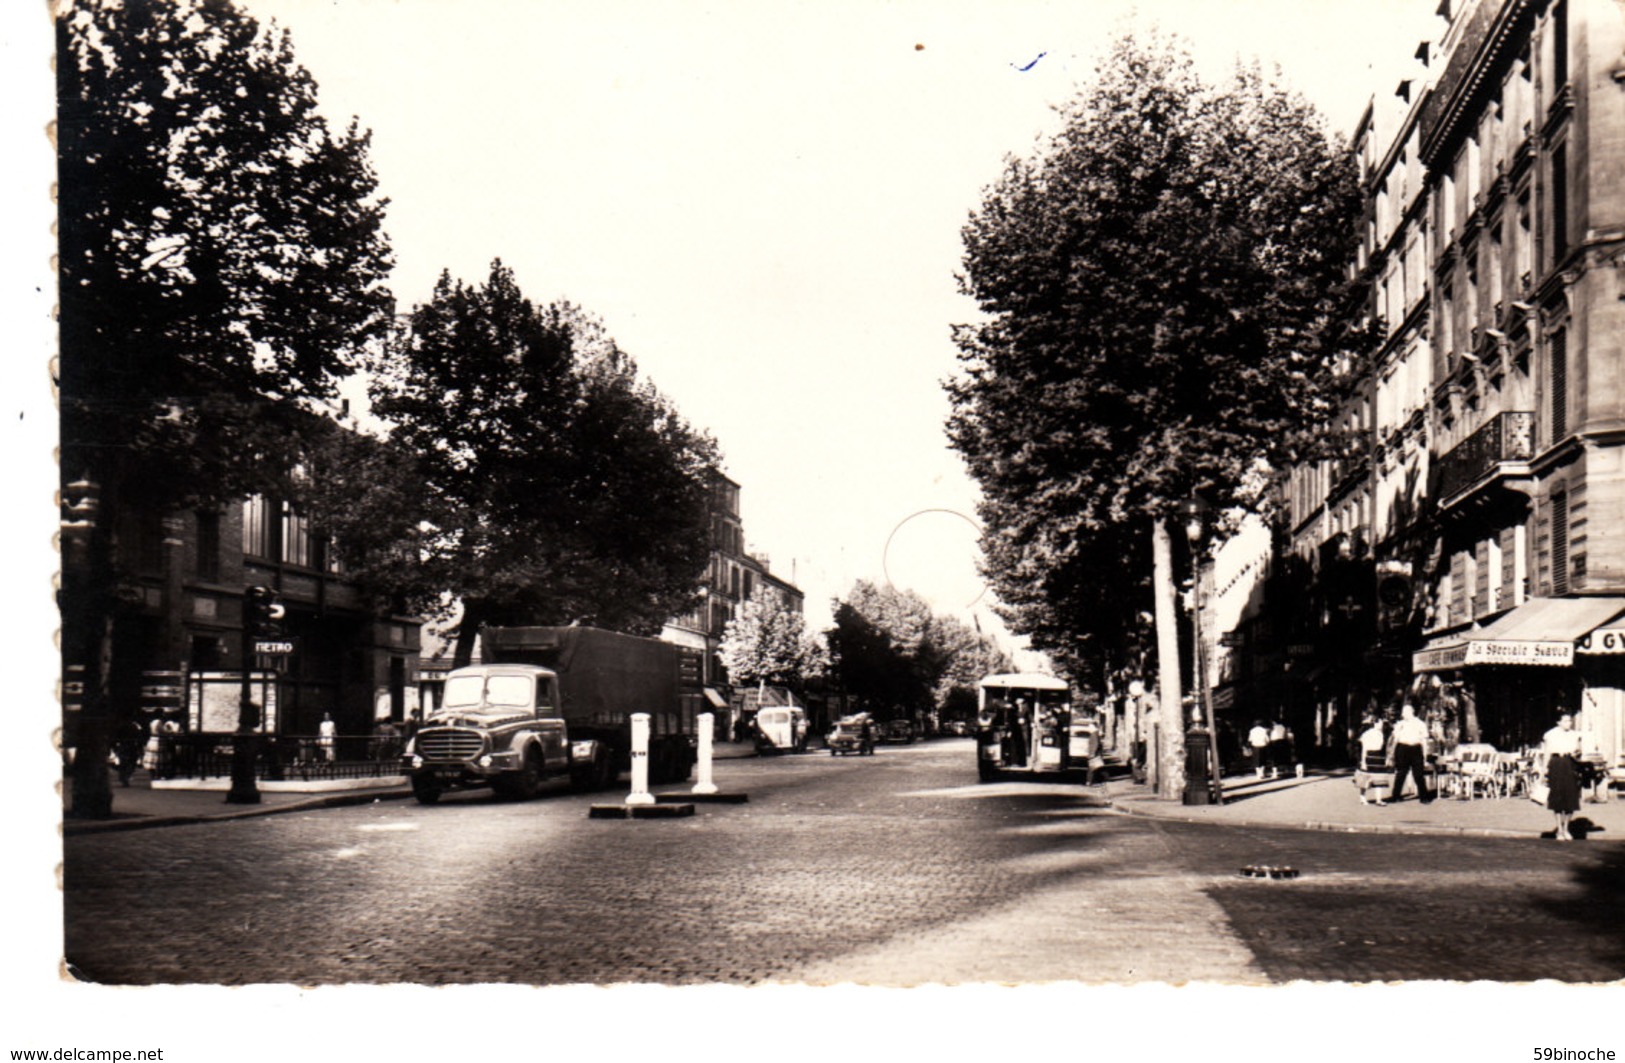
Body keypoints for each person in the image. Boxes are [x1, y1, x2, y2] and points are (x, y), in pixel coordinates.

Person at [1541, 713, 1582, 840]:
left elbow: (1579, 752)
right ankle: (1559, 829)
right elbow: (1547, 753)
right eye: (1565, 721)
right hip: (1556, 763)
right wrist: (1544, 771)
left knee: (1571, 796)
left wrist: (1577, 753)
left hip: (1570, 764)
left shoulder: (1575, 735)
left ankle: (1566, 828)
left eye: (1570, 721)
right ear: (1558, 722)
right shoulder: (1550, 735)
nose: (1568, 723)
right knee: (1557, 797)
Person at [1389, 703, 1431, 803]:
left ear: (1411, 712)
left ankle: (1424, 797)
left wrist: (1425, 755)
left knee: (1418, 774)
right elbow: (1395, 739)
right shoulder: (1400, 724)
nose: (1403, 714)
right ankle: (1396, 796)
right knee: (1401, 773)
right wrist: (1392, 753)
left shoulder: (1420, 724)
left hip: (1416, 748)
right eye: (1403, 712)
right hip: (1402, 748)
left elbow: (1424, 741)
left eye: (1405, 712)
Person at [1357, 717, 1389, 806]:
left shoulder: (1381, 734)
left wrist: (1385, 758)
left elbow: (1383, 748)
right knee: (1365, 778)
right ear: (1375, 723)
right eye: (1380, 724)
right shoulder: (1367, 734)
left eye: (1382, 724)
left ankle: (1378, 799)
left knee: (1379, 779)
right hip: (1369, 756)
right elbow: (1364, 748)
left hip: (1379, 757)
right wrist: (1363, 761)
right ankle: (1362, 798)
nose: (1381, 726)